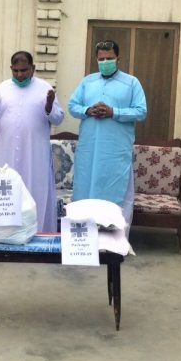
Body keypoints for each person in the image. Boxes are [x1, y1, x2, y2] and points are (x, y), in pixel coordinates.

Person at [0, 51, 64, 232]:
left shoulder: (44, 88)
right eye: (15, 71)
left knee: (35, 190)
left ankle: (36, 232)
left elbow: (58, 118)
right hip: (6, 153)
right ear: (11, 69)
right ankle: (4, 233)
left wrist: (49, 107)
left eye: (24, 70)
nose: (19, 75)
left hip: (34, 153)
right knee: (6, 191)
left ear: (33, 68)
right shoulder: (3, 88)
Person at [68, 40, 147, 230]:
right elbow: (72, 106)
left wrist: (114, 112)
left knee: (114, 192)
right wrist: (88, 110)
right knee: (85, 191)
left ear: (118, 58)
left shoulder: (131, 83)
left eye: (109, 58)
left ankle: (114, 241)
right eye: (101, 59)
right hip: (89, 151)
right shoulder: (88, 82)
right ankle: (84, 238)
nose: (105, 62)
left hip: (115, 152)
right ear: (96, 59)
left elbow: (141, 111)